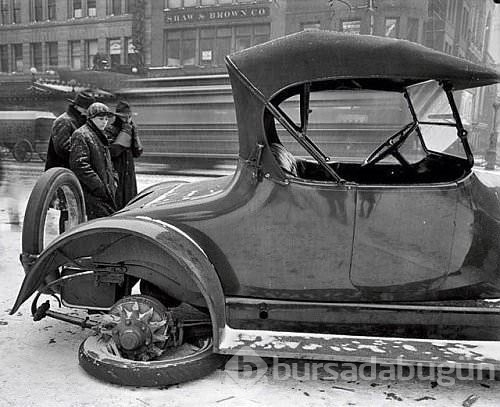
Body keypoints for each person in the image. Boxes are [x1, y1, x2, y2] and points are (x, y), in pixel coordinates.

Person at [69, 102, 117, 220]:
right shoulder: (81, 135)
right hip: (92, 193)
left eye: (106, 119)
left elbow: (109, 163)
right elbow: (79, 164)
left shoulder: (99, 135)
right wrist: (98, 186)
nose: (104, 122)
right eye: (101, 118)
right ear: (91, 118)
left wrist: (114, 180)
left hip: (103, 192)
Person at [105, 101, 143, 210]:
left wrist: (134, 134)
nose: (127, 119)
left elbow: (138, 152)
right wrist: (125, 132)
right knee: (117, 205)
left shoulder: (131, 129)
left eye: (129, 117)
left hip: (129, 176)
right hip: (117, 174)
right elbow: (113, 152)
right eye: (124, 117)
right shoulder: (110, 130)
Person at [45, 91, 96, 170]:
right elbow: (63, 149)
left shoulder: (82, 121)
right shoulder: (64, 121)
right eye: (85, 108)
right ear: (76, 106)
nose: (88, 111)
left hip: (73, 169)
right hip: (62, 171)